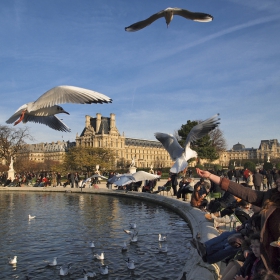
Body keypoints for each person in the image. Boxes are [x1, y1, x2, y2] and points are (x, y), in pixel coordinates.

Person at [196, 168, 280, 273]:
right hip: (270, 258)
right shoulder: (271, 197)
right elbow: (244, 192)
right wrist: (210, 176)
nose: (277, 180)